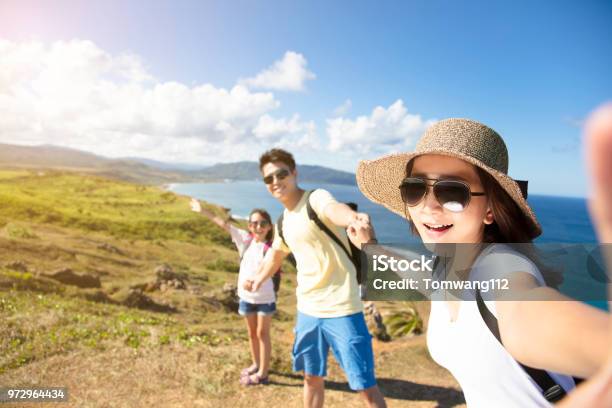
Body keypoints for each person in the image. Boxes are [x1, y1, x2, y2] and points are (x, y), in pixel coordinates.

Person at [354, 117, 610, 407]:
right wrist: (371, 247)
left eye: (452, 192)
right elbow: (421, 276)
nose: (428, 205)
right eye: (415, 189)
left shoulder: (501, 268)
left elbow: (523, 310)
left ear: (490, 210)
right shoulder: (447, 265)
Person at [243, 148, 387, 408]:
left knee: (365, 386)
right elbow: (275, 257)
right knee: (311, 378)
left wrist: (352, 218)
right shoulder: (283, 222)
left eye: (281, 173)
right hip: (308, 310)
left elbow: (334, 210)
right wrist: (257, 279)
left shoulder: (315, 199)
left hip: (342, 308)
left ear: (294, 172)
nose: (275, 181)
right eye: (269, 178)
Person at [190, 199, 276, 386]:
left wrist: (254, 281)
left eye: (262, 223)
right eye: (254, 223)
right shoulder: (244, 239)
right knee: (252, 333)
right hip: (246, 297)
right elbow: (223, 224)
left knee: (263, 333)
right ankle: (256, 364)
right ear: (249, 225)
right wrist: (202, 210)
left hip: (265, 297)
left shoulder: (273, 247)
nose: (258, 227)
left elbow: (268, 268)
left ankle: (263, 373)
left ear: (269, 226)